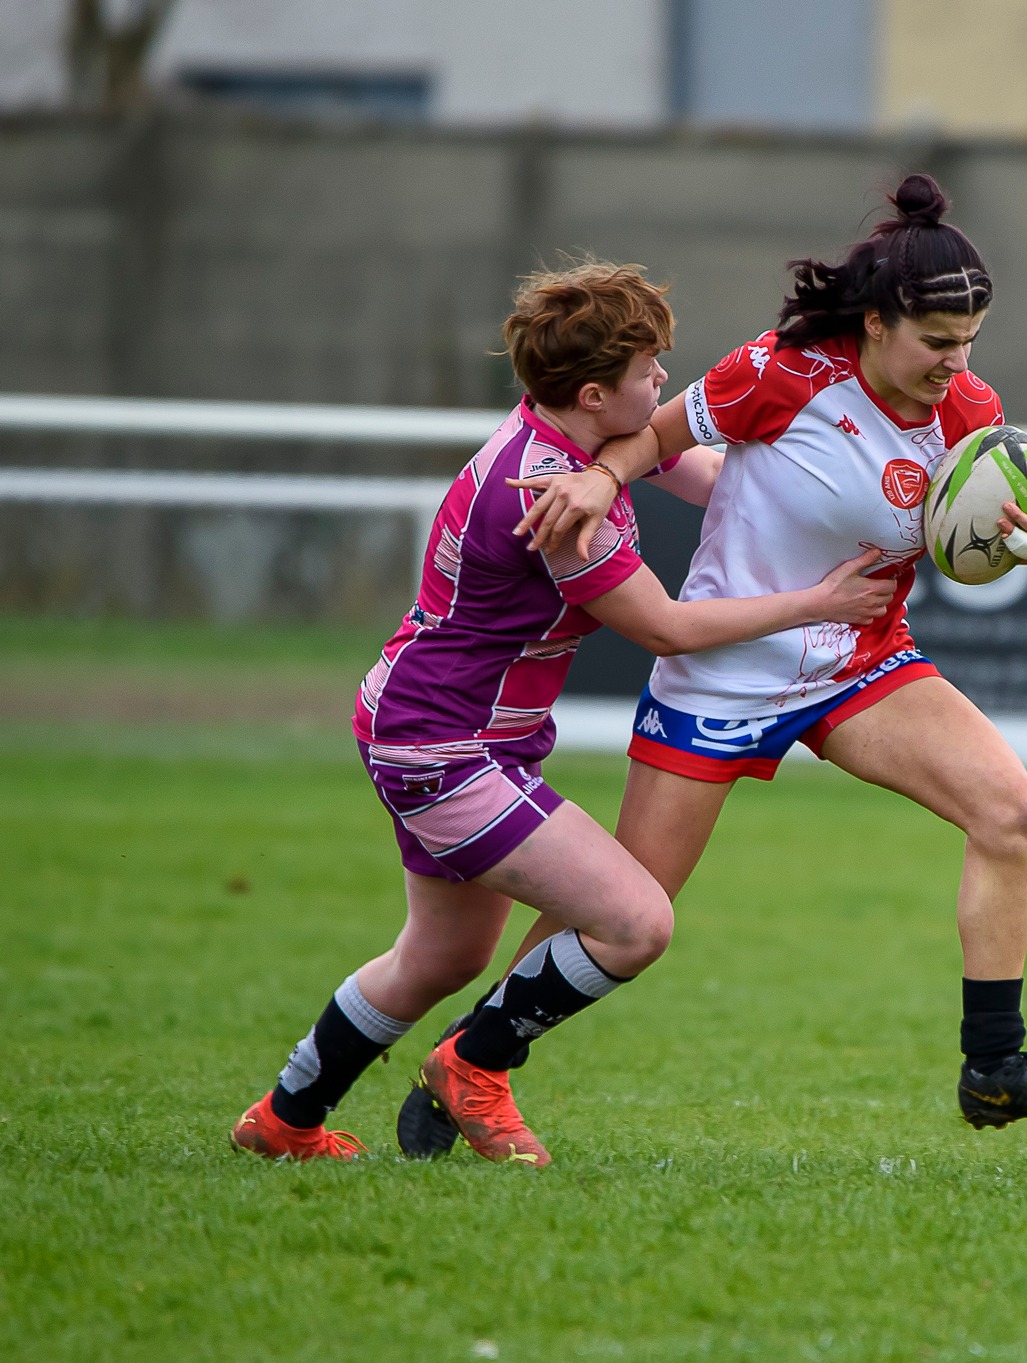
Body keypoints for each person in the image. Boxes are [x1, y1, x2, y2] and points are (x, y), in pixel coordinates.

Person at [417, 174, 1027, 1144]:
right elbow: (653, 439)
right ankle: (472, 1057)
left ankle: (994, 1066)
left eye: (968, 343)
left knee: (1010, 809)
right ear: (875, 323)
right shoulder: (784, 369)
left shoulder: (966, 411)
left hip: (857, 664)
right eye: (935, 343)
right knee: (626, 906)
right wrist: (592, 477)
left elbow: (950, 551)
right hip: (724, 673)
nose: (954, 364)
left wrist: (1016, 545)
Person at [231, 261, 895, 1164]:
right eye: (649, 371)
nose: (665, 381)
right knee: (637, 920)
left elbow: (721, 482)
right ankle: (475, 1069)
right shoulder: (551, 500)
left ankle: (281, 1120)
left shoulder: (573, 448)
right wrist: (813, 604)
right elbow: (666, 628)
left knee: (443, 957)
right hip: (444, 744)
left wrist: (885, 499)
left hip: (438, 730)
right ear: (594, 393)